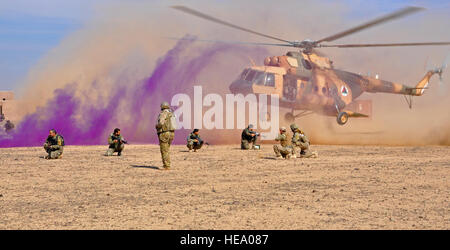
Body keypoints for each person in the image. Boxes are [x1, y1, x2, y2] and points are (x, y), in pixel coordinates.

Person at [155, 101, 176, 170]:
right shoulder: (172, 114)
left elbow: (161, 123)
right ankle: (167, 164)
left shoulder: (163, 113)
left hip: (164, 133)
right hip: (171, 133)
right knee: (167, 149)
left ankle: (167, 166)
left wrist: (157, 126)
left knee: (164, 150)